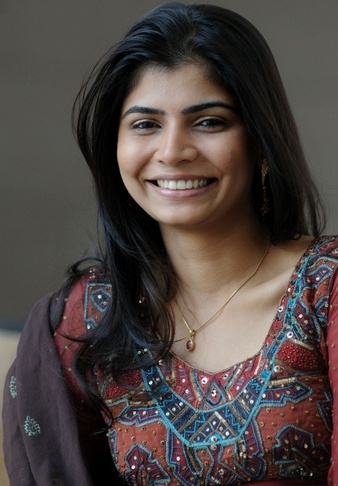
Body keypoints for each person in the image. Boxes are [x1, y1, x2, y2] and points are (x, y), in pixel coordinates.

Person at [3, 2, 338, 485]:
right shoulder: (85, 321)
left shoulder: (324, 288)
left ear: (260, 141)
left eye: (208, 122)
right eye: (145, 124)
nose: (173, 151)